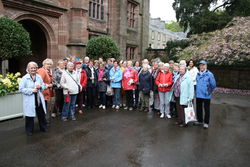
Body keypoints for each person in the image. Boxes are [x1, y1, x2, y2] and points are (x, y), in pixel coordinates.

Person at [19, 62, 48, 136]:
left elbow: (43, 85)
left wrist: (41, 87)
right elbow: (21, 89)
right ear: (28, 69)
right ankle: (29, 130)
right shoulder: (25, 78)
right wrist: (31, 90)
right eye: (31, 68)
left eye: (34, 68)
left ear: (36, 69)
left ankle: (43, 127)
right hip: (30, 99)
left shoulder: (38, 77)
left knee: (41, 113)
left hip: (38, 98)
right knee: (29, 116)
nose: (33, 69)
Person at [194, 60, 216, 129]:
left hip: (206, 95)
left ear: (206, 66)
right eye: (200, 65)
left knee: (206, 109)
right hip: (198, 94)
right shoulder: (198, 74)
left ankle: (206, 122)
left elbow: (213, 85)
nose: (201, 66)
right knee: (198, 108)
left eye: (203, 65)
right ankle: (200, 120)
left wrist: (209, 91)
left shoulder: (210, 74)